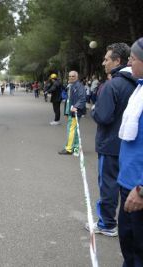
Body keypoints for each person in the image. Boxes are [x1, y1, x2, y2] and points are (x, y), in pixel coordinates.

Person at [88, 43, 136, 237]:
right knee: (127, 186)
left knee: (108, 184)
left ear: (117, 61)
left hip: (110, 145)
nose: (103, 63)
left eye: (107, 59)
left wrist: (94, 110)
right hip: (129, 145)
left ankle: (107, 223)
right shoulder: (136, 83)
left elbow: (103, 116)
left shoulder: (113, 84)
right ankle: (126, 224)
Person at [117, 37, 143, 266]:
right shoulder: (138, 90)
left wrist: (141, 190)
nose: (129, 62)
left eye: (133, 59)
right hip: (128, 185)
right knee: (128, 243)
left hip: (139, 191)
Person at [58, 71, 86, 156]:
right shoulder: (71, 86)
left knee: (71, 129)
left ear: (77, 77)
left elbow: (82, 99)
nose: (71, 77)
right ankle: (76, 147)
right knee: (75, 130)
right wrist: (66, 112)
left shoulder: (79, 86)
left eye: (73, 76)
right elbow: (69, 100)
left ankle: (69, 148)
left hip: (75, 111)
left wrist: (76, 107)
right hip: (72, 111)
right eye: (69, 76)